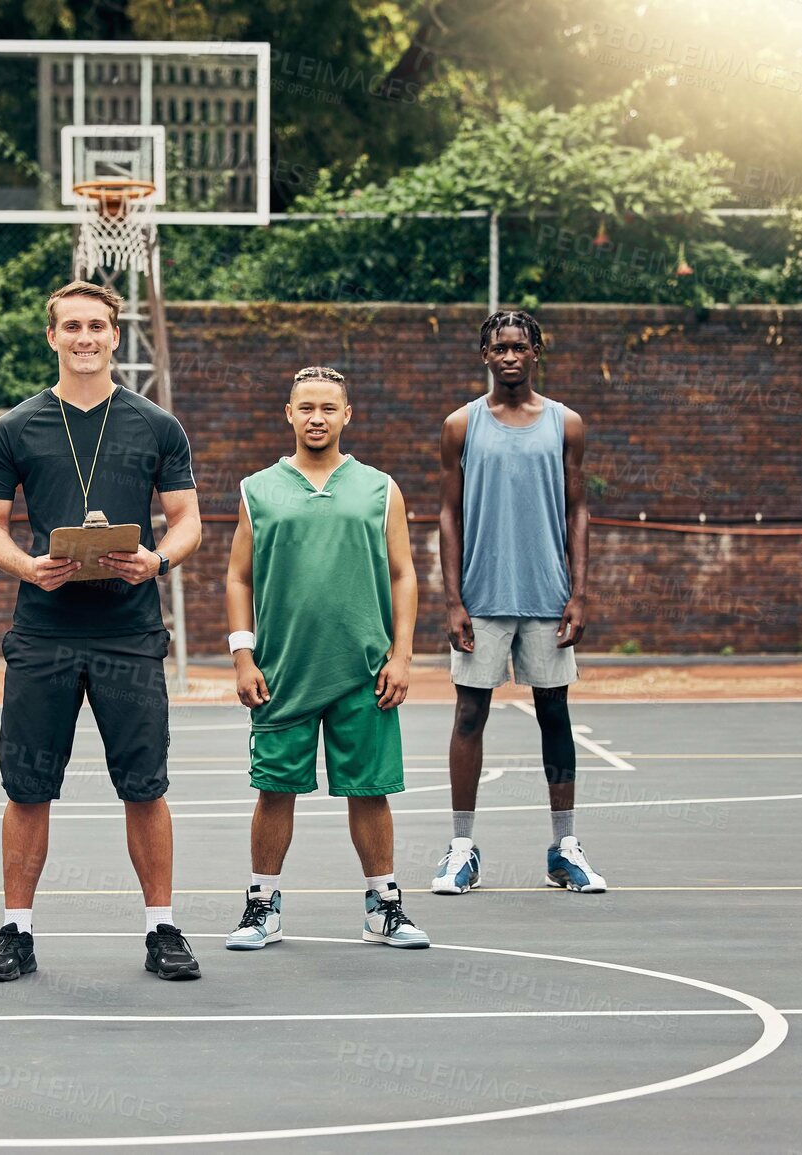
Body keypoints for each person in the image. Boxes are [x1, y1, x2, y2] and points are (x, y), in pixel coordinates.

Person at [0, 280, 204, 981]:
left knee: (144, 785)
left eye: (96, 326)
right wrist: (26, 565)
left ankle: (161, 927)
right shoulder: (14, 428)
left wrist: (156, 558)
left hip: (129, 629)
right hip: (43, 628)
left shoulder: (156, 425)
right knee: (27, 786)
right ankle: (16, 930)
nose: (84, 337)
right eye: (70, 326)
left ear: (114, 334)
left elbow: (189, 518)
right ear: (51, 336)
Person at [223, 366, 429, 951]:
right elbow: (238, 576)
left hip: (364, 669)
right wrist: (244, 656)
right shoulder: (258, 489)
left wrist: (403, 655)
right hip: (283, 671)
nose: (317, 417)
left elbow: (403, 575)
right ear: (288, 414)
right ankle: (261, 905)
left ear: (347, 415)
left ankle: (383, 907)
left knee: (369, 790)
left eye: (328, 408)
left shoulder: (380, 487)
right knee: (275, 789)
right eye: (306, 407)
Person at [433, 310, 607, 896]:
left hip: (546, 594)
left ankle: (564, 847)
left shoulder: (566, 424)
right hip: (481, 596)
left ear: (536, 352)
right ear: (484, 355)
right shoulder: (461, 425)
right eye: (499, 347)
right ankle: (461, 848)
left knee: (554, 715)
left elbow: (578, 509)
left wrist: (579, 593)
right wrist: (453, 599)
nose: (509, 356)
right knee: (468, 716)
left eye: (519, 346)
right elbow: (448, 514)